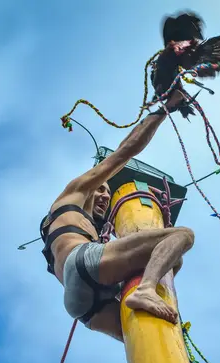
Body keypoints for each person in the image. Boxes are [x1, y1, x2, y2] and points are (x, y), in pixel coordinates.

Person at [40, 90, 193, 342]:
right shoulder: (73, 195)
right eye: (100, 189)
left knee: (152, 339)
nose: (103, 196)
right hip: (83, 264)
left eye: (107, 195)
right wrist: (165, 109)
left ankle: (145, 292)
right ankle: (145, 289)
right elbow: (125, 151)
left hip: (81, 305)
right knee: (183, 237)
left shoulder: (77, 229)